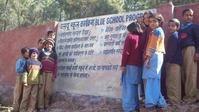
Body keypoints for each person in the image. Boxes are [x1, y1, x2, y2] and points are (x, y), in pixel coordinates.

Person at [142, 13, 167, 111]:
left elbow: (153, 46)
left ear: (159, 22)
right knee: (154, 79)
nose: (152, 23)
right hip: (157, 55)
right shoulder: (157, 31)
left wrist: (147, 58)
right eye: (150, 21)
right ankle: (160, 102)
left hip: (154, 55)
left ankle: (151, 104)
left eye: (154, 21)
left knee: (151, 79)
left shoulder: (156, 31)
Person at [120, 22, 144, 112]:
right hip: (140, 66)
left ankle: (129, 108)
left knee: (128, 87)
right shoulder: (142, 37)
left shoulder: (130, 37)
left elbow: (126, 52)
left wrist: (123, 65)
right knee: (134, 87)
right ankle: (136, 107)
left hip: (130, 65)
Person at [179, 8, 199, 103]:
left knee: (191, 73)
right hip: (181, 51)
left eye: (190, 15)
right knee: (183, 73)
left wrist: (197, 52)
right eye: (187, 15)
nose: (189, 17)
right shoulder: (180, 27)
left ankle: (191, 97)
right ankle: (187, 95)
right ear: (183, 16)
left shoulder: (195, 26)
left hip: (190, 49)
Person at [165, 18, 182, 104]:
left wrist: (168, 62)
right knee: (175, 82)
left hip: (173, 62)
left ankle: (174, 101)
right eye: (169, 26)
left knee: (172, 82)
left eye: (173, 26)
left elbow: (171, 51)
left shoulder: (174, 36)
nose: (170, 27)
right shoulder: (175, 35)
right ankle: (176, 100)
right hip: (176, 62)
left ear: (177, 27)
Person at [38, 38, 57, 110]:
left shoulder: (54, 54)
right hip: (42, 73)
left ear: (52, 46)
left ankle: (46, 104)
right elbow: (38, 63)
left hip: (50, 74)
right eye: (47, 44)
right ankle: (40, 106)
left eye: (50, 44)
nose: (49, 45)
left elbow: (55, 65)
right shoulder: (41, 53)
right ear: (45, 45)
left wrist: (54, 74)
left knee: (48, 90)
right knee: (41, 90)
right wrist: (39, 73)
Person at [12, 47, 29, 112]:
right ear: (23, 53)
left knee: (24, 94)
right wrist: (24, 67)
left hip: (27, 77)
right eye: (27, 52)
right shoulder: (20, 60)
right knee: (18, 93)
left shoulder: (29, 60)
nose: (28, 53)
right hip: (20, 77)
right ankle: (15, 109)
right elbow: (17, 70)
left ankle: (22, 109)